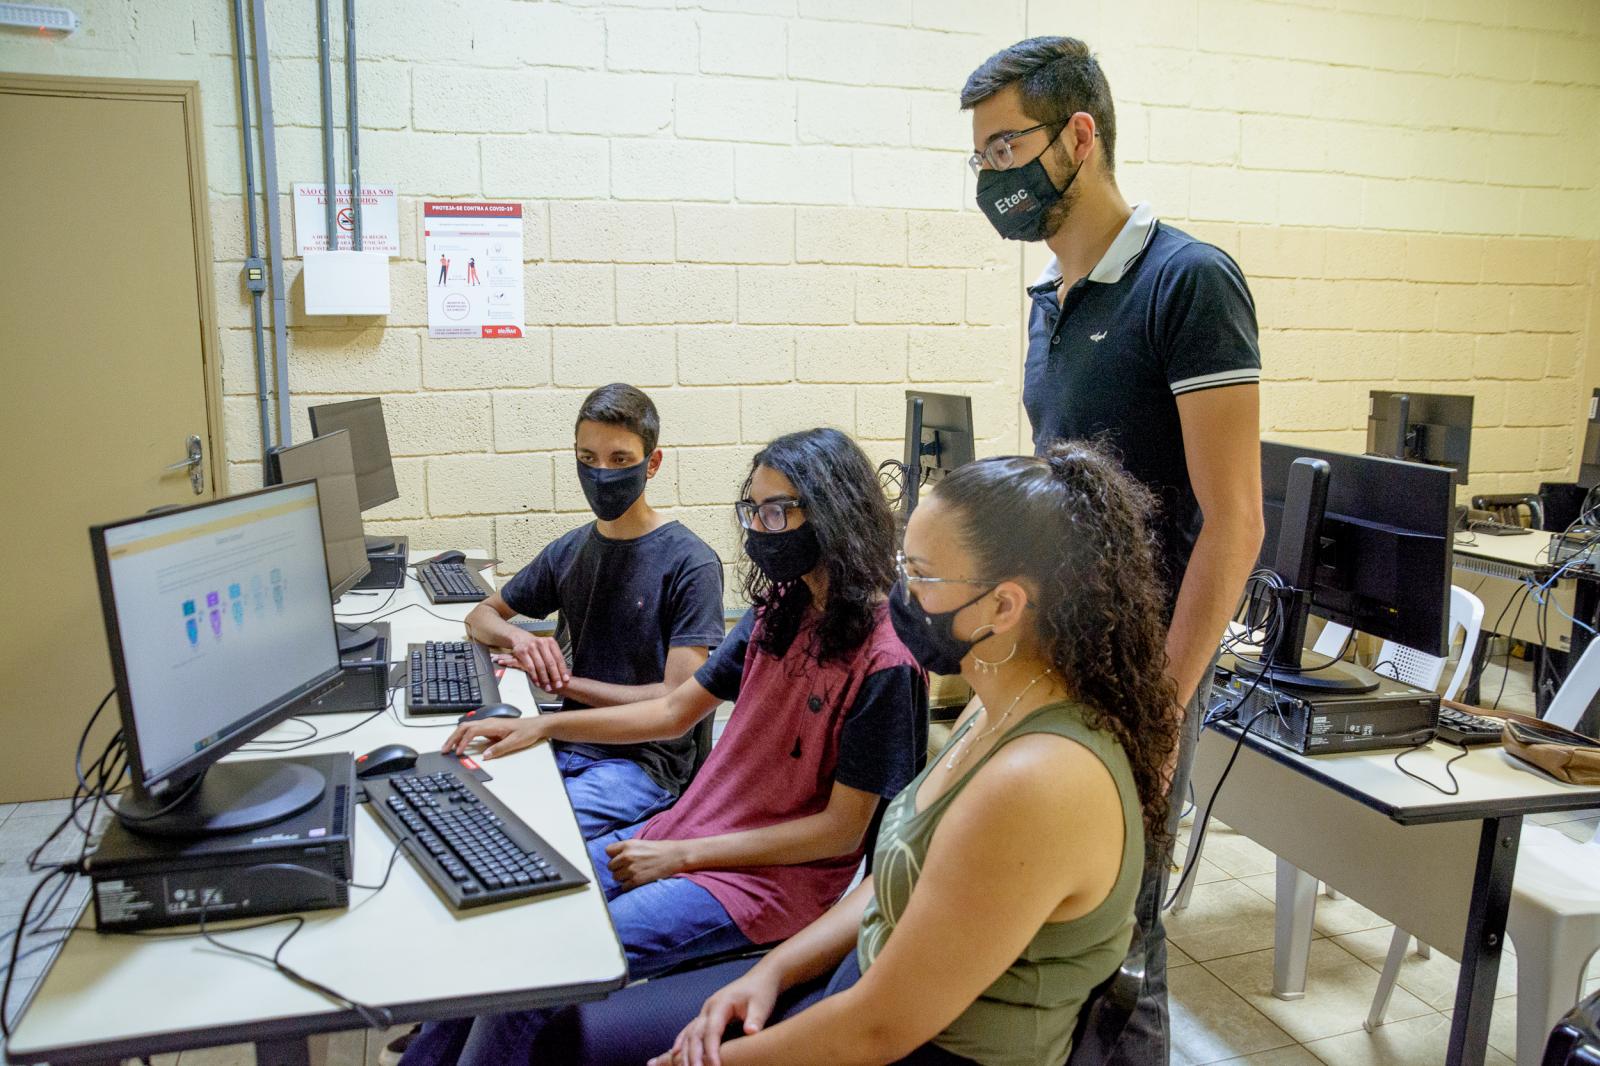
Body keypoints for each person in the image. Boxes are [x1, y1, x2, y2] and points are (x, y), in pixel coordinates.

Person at [529, 441, 1180, 1066]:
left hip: (927, 1050)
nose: (901, 595)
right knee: (572, 1031)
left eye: (921, 575)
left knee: (579, 1027)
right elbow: (886, 882)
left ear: (1004, 605)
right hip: (858, 984)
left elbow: (877, 1030)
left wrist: (723, 1059)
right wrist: (771, 972)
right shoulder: (997, 705)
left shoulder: (1040, 779)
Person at [398, 427, 928, 1066]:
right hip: (685, 836)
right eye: (752, 510)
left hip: (762, 885)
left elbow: (840, 834)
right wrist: (545, 725)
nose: (760, 528)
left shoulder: (886, 663)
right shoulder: (779, 612)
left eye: (778, 511)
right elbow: (675, 712)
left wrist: (683, 855)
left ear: (833, 514)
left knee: (549, 959)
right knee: (518, 911)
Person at [962, 36, 1265, 1059]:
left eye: (1006, 146)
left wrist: (1161, 712)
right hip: (1057, 658)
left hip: (1140, 674)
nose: (991, 174)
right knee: (1054, 924)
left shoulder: (1188, 281)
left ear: (1077, 135)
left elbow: (1234, 520)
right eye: (980, 157)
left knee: (1121, 948)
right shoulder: (1049, 297)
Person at [463, 383, 724, 842]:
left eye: (619, 459)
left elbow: (674, 701)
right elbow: (481, 615)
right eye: (587, 459)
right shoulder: (573, 548)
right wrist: (520, 639)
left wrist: (563, 685)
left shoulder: (690, 563)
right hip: (567, 743)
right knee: (474, 810)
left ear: (653, 463)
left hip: (642, 765)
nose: (601, 473)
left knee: (525, 835)